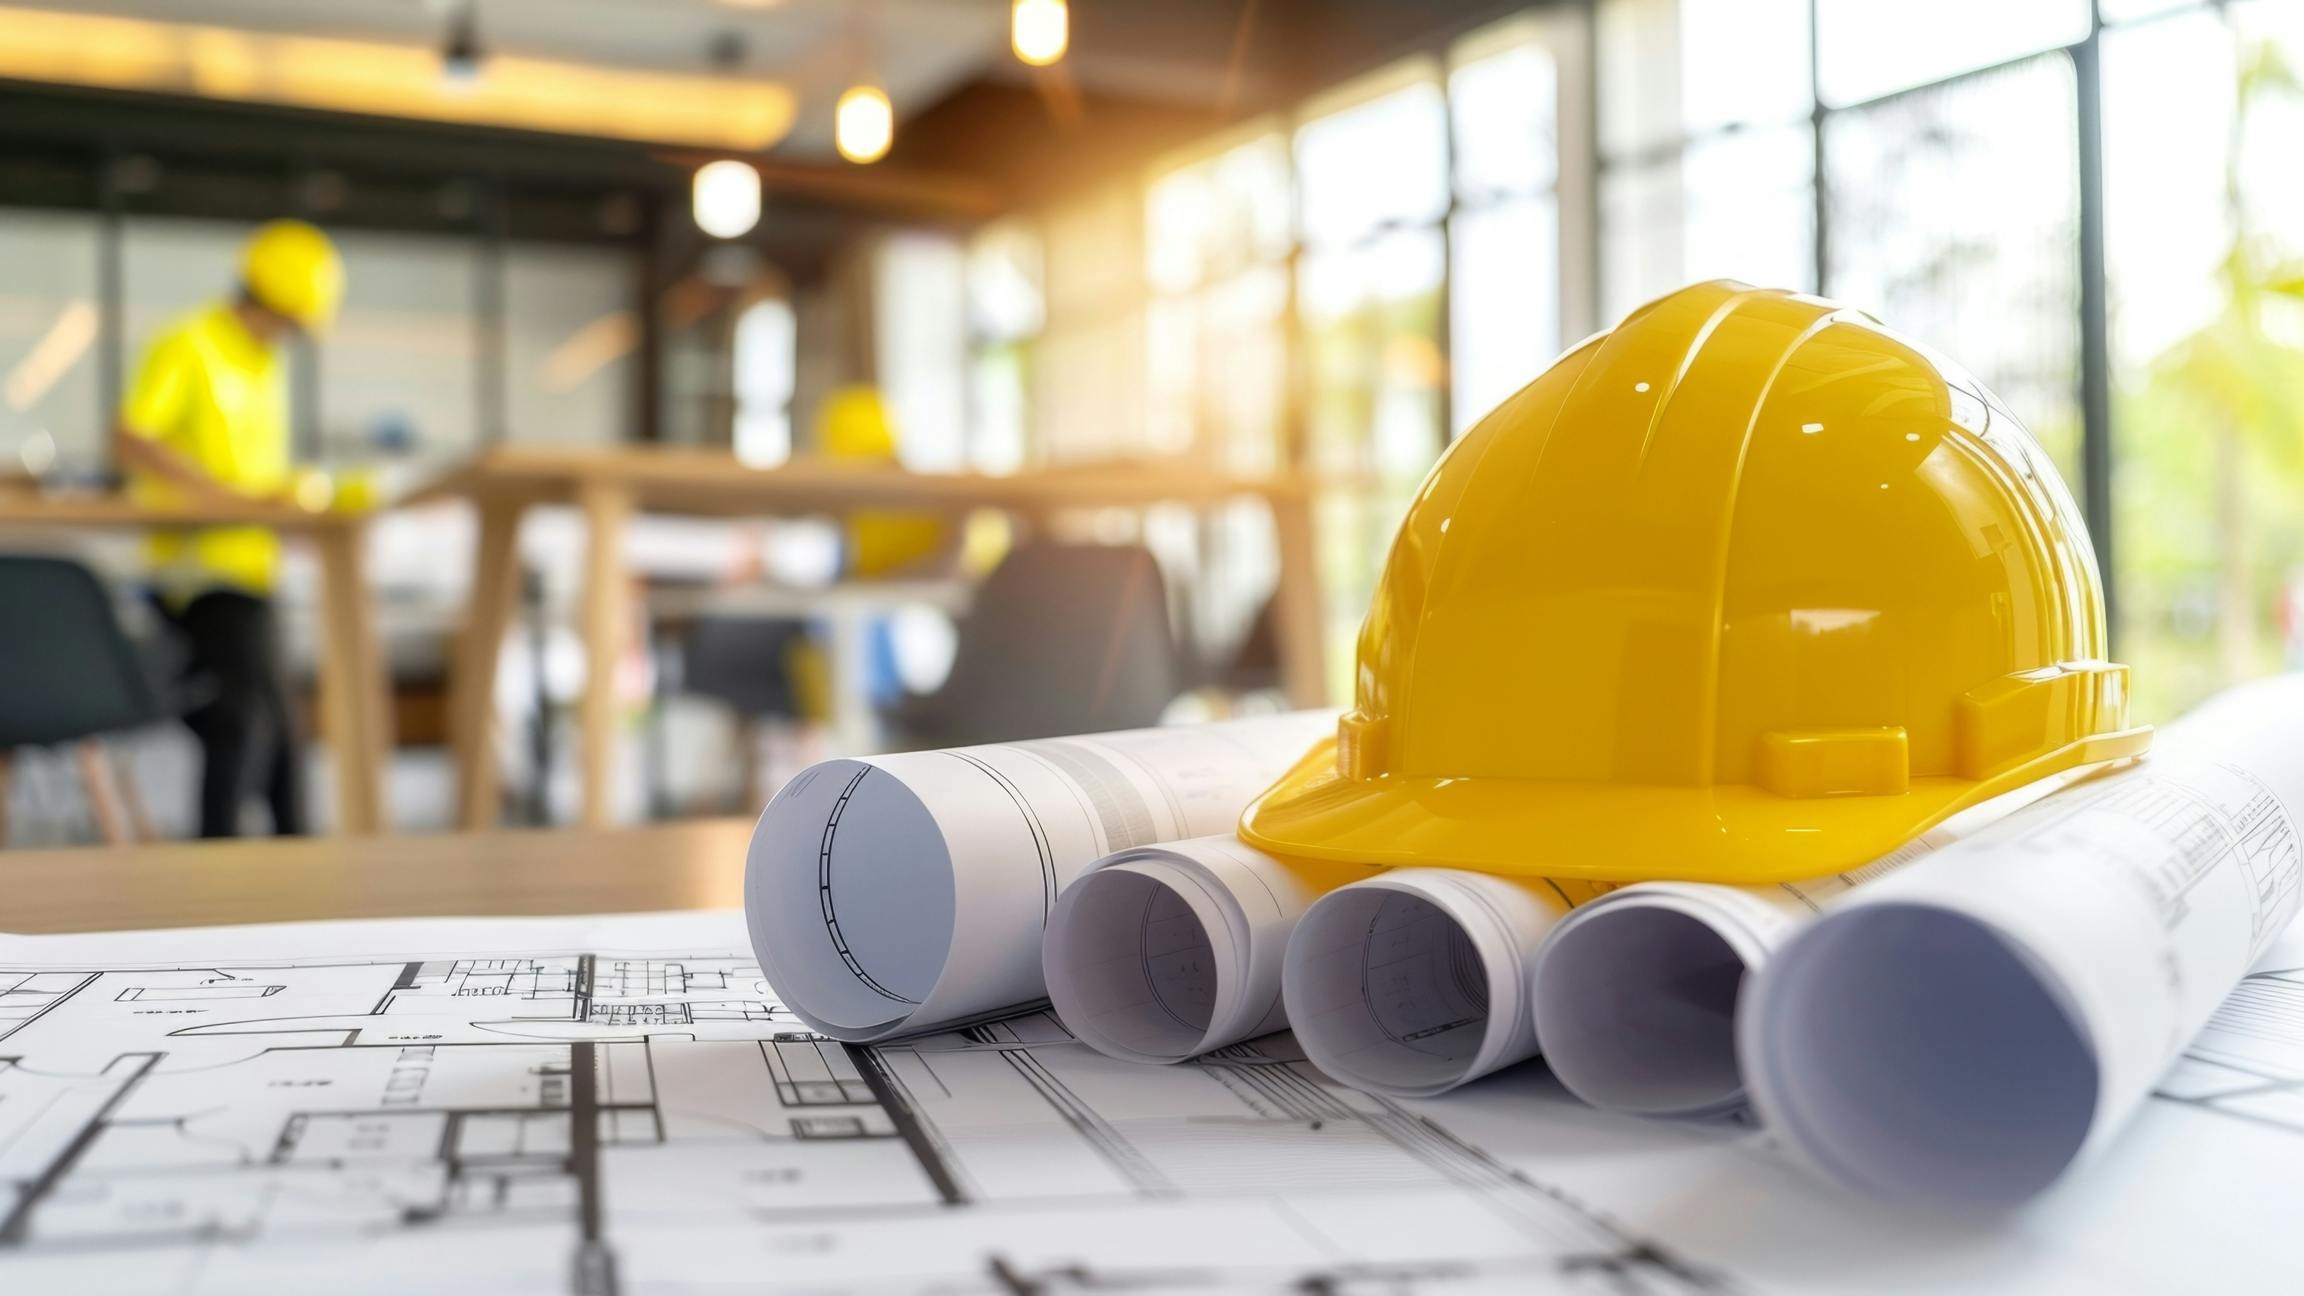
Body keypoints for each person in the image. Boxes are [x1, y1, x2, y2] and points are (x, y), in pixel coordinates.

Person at [111, 219, 344, 838]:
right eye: (290, 323)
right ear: (267, 300)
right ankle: (218, 874)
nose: (291, 337)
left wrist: (277, 506)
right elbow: (133, 437)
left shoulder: (265, 366)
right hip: (194, 575)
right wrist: (220, 497)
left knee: (282, 735)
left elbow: (255, 473)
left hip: (251, 570)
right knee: (243, 723)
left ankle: (300, 870)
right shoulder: (187, 342)